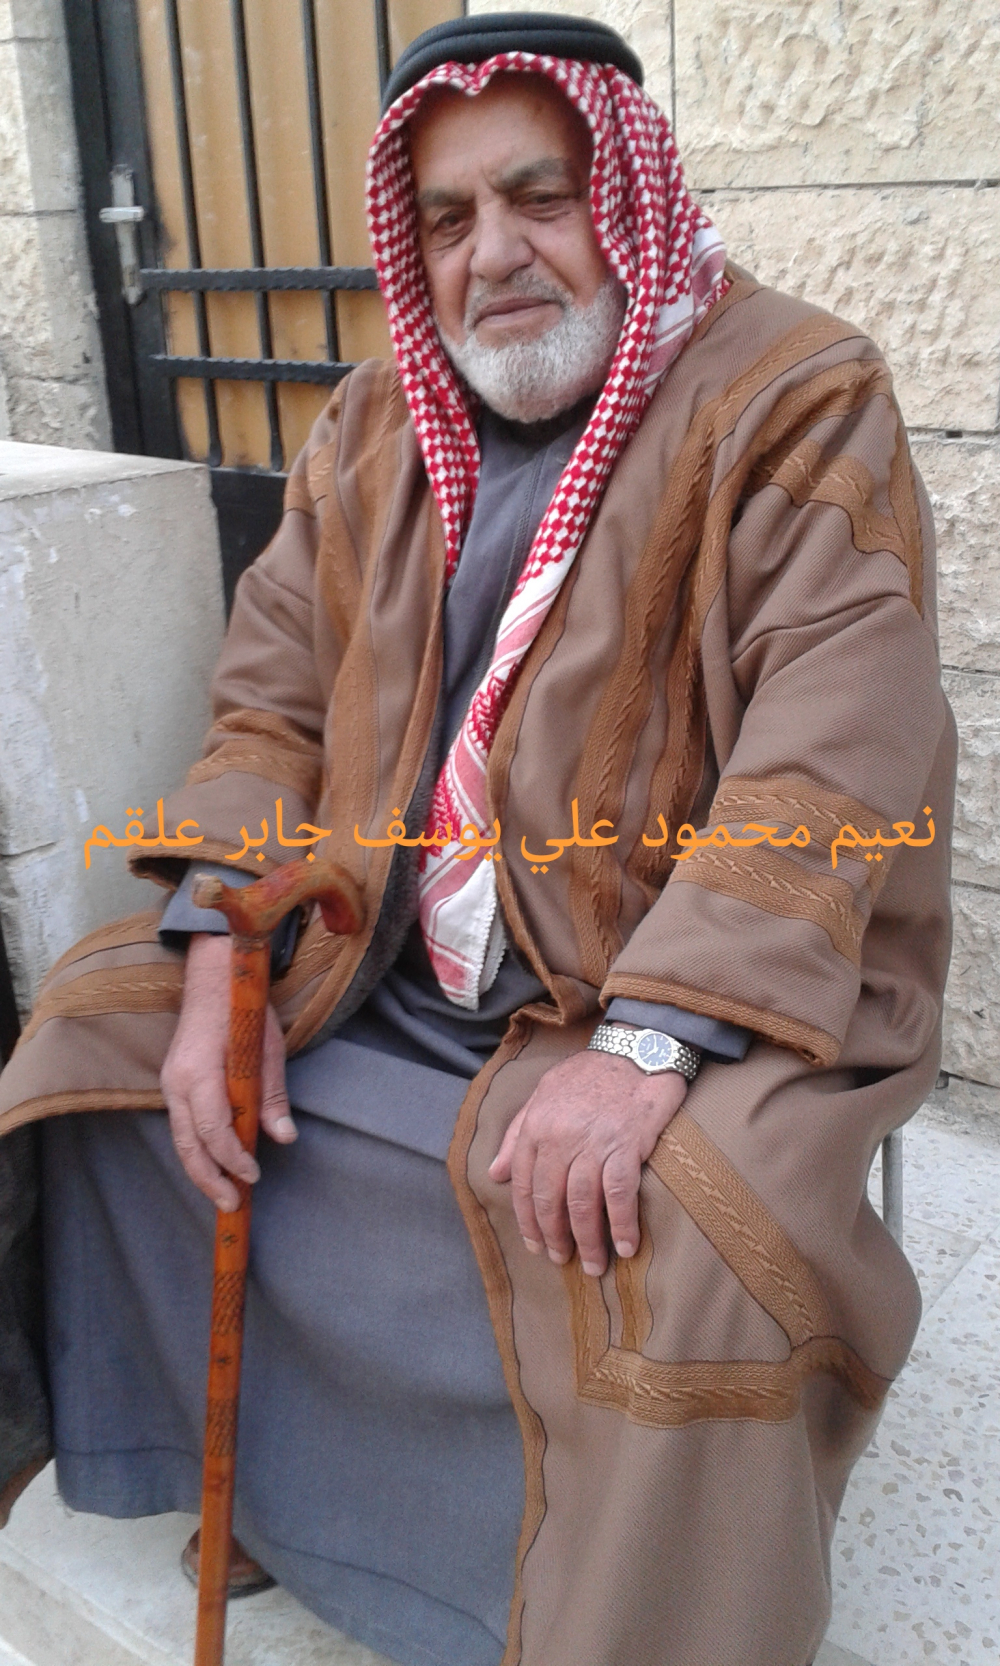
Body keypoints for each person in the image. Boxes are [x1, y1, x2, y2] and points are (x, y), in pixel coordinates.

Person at [0, 13, 955, 1666]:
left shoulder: (797, 395)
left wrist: (650, 1040)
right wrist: (224, 947)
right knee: (101, 1040)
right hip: (375, 948)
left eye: (538, 197)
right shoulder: (373, 421)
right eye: (446, 219)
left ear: (625, 197)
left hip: (693, 982)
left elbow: (832, 754)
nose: (493, 254)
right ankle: (294, 1496)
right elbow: (267, 711)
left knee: (686, 1237)